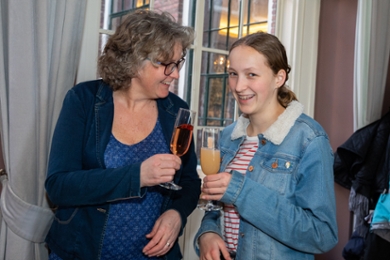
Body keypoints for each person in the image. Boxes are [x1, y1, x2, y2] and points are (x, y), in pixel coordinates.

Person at [45, 9, 201, 260]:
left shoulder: (177, 111)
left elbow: (190, 182)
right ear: (134, 60)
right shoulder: (83, 100)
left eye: (178, 63)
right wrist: (137, 176)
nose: (176, 74)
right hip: (79, 252)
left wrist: (177, 215)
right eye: (166, 64)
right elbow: (59, 186)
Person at [194, 32, 338, 260]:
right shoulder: (228, 137)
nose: (239, 86)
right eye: (233, 74)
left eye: (251, 74)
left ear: (278, 78)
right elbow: (215, 208)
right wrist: (207, 232)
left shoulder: (309, 140)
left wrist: (242, 192)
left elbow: (321, 235)